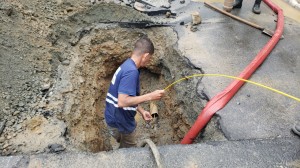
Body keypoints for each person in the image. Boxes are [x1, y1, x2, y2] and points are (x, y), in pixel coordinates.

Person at [104, 36, 165, 148]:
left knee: (122, 141)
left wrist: (141, 111)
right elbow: (123, 101)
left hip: (113, 118)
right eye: (149, 58)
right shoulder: (132, 72)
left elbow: (125, 96)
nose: (149, 61)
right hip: (121, 122)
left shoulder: (127, 65)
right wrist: (150, 96)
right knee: (130, 151)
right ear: (145, 55)